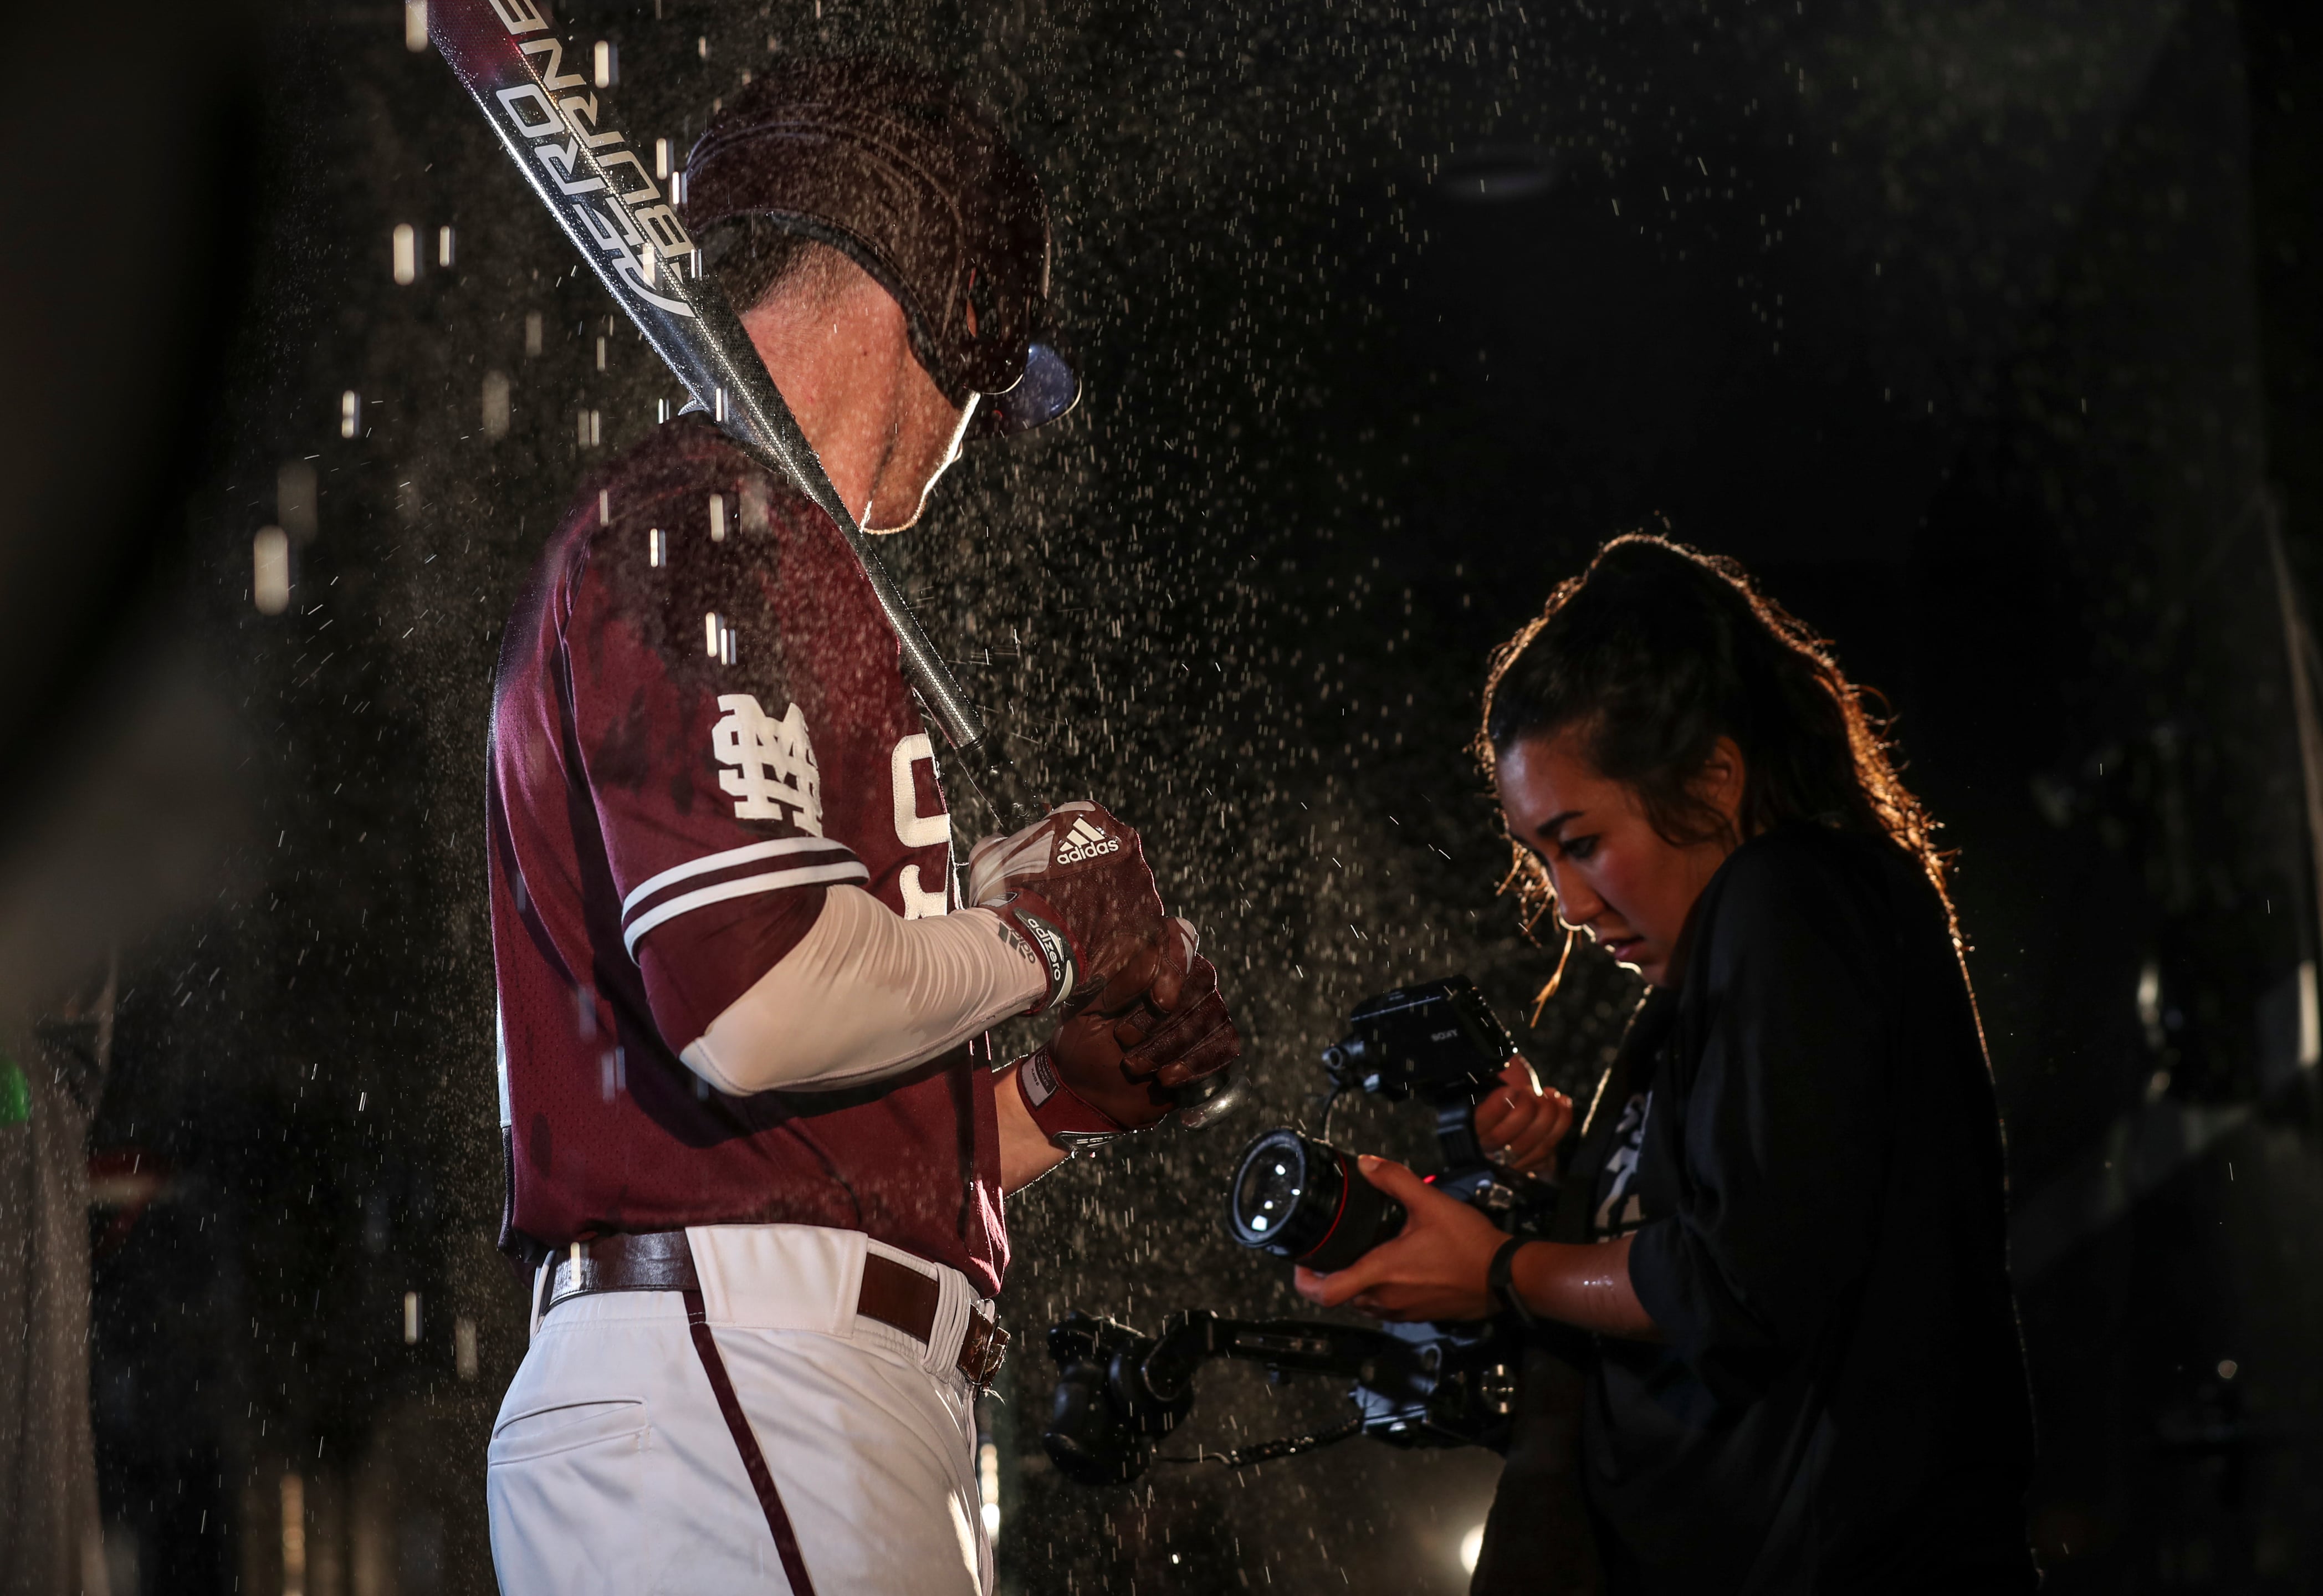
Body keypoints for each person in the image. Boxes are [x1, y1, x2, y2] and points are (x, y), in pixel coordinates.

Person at [482, 58, 1240, 1595]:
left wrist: (1059, 1101)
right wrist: (1042, 942)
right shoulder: (705, 515)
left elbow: (823, 1142)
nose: (968, 439)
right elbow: (760, 1007)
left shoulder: (740, 537)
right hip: (742, 1375)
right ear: (955, 311)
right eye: (985, 381)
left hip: (762, 1373)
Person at [1299, 535, 2038, 1593]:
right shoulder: (1712, 991)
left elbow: (1741, 1279)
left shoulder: (1790, 894)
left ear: (1712, 779)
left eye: (1581, 842)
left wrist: (1503, 1268)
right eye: (1541, 859)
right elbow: (1770, 1220)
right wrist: (1578, 1180)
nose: (1569, 904)